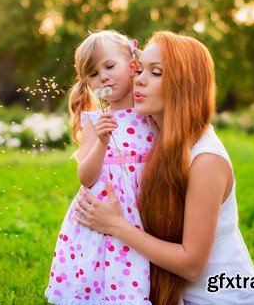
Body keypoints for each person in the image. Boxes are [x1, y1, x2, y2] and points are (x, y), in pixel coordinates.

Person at [75, 31, 254, 305]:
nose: (139, 79)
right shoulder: (156, 139)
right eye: (140, 68)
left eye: (156, 73)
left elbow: (192, 265)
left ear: (183, 85)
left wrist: (117, 226)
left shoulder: (205, 160)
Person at [45, 30, 155, 304]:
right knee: (107, 281)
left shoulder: (151, 114)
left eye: (109, 66)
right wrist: (102, 143)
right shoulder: (95, 121)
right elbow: (86, 177)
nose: (103, 77)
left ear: (133, 64)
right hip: (102, 218)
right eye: (93, 74)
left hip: (143, 212)